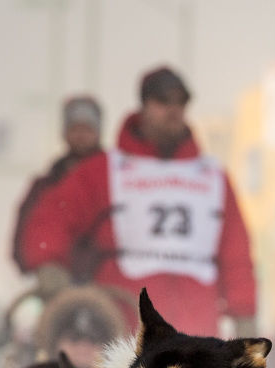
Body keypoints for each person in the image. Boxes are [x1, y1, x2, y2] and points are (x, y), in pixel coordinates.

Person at [17, 66, 256, 337]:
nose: (173, 110)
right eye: (163, 102)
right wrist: (49, 263)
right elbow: (52, 215)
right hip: (123, 327)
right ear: (143, 106)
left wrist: (244, 313)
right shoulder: (107, 170)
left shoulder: (212, 178)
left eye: (180, 103)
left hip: (195, 334)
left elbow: (236, 252)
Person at [12, 96, 105, 282]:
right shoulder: (45, 186)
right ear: (65, 132)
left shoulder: (114, 179)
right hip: (59, 281)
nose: (81, 135)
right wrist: (43, 265)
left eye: (87, 129)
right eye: (75, 128)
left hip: (105, 279)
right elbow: (27, 231)